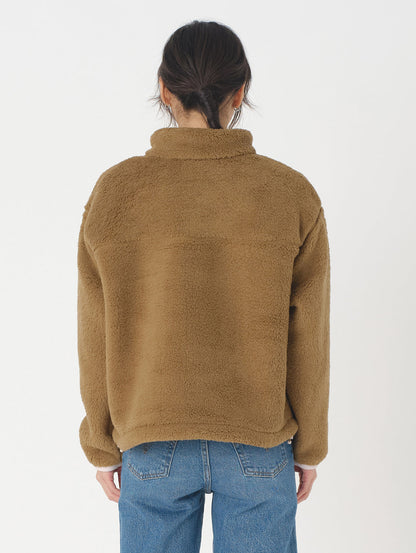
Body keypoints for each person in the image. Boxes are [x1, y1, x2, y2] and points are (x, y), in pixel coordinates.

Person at [77, 19, 331, 553]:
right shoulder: (289, 193)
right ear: (241, 91)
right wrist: (309, 445)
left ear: (164, 89)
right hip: (257, 442)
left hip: (151, 439)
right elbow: (309, 334)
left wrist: (101, 443)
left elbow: (95, 329)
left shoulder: (115, 191)